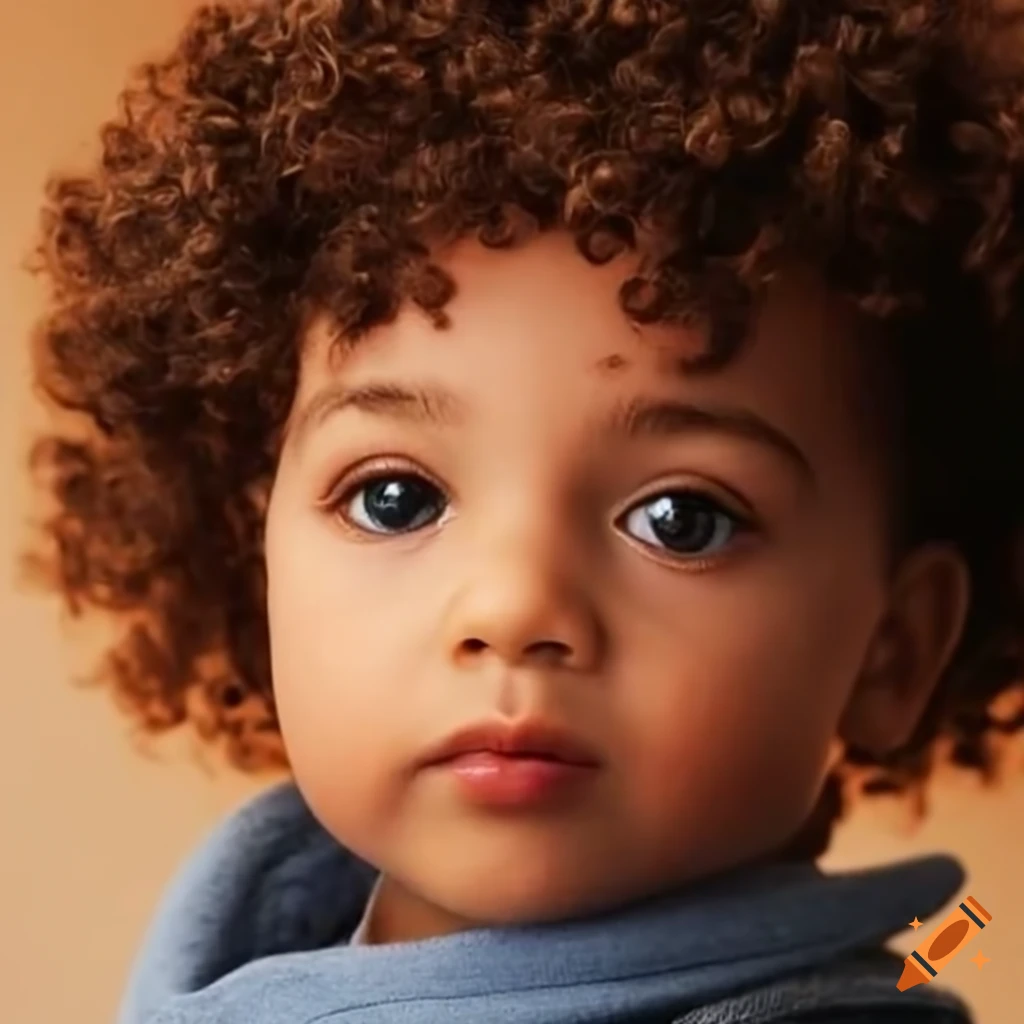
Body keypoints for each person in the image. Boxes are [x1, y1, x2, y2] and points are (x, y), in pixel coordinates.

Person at [24, 1, 1024, 1022]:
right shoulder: (237, 946)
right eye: (394, 498)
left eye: (681, 518)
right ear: (259, 562)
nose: (512, 605)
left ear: (888, 651)